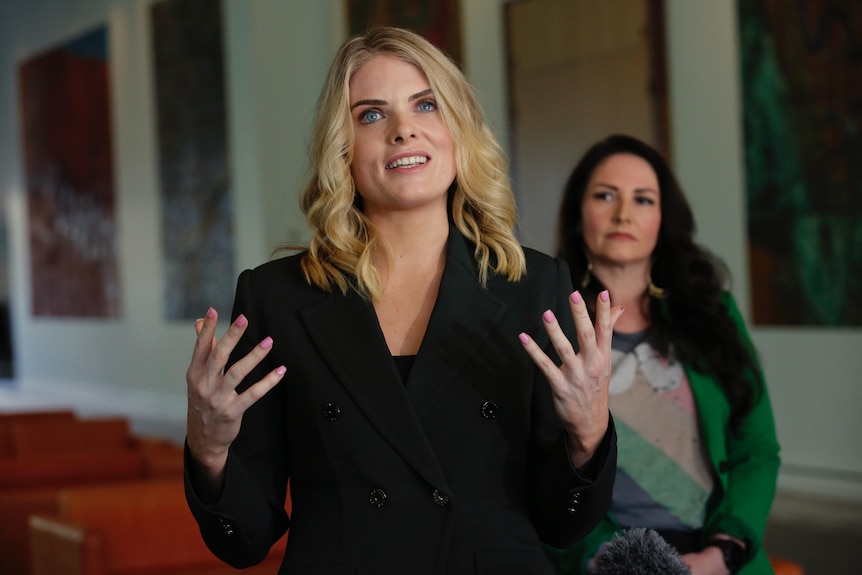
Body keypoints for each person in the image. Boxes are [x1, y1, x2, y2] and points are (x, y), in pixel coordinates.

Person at [184, 27, 624, 575]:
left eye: (426, 104)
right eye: (371, 114)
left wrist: (590, 432)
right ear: (342, 149)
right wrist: (208, 449)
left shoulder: (535, 285)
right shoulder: (276, 297)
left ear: (459, 130)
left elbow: (565, 525)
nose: (403, 130)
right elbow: (242, 543)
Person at [547, 134, 781, 575]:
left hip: (716, 554)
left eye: (643, 200)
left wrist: (723, 551)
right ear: (579, 215)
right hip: (604, 557)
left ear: (663, 218)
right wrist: (603, 558)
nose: (623, 214)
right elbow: (538, 465)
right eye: (605, 196)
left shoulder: (712, 312)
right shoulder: (553, 324)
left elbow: (757, 447)